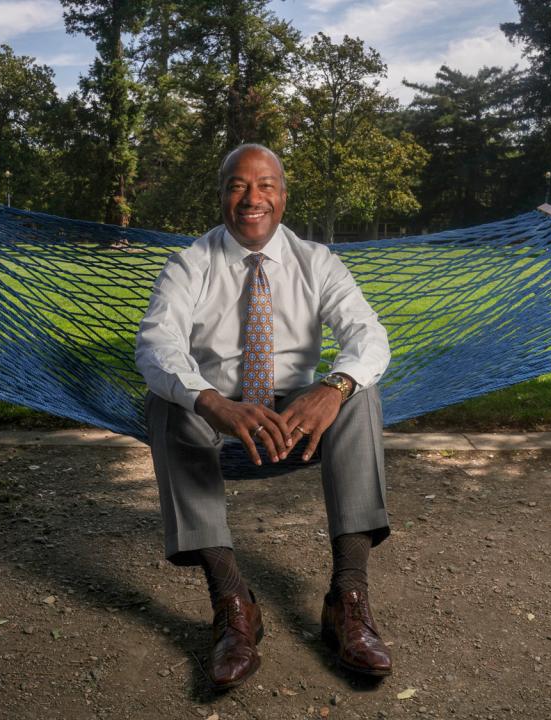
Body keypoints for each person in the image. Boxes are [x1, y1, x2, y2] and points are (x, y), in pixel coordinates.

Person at [135, 143, 393, 690]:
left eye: (266, 185)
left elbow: (367, 334)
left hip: (297, 408)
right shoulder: (190, 264)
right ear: (223, 195)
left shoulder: (317, 261)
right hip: (220, 408)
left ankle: (347, 600)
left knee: (360, 395)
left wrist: (334, 385)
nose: (253, 199)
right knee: (169, 402)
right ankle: (232, 605)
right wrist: (210, 401)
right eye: (238, 186)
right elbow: (158, 343)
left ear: (283, 194)